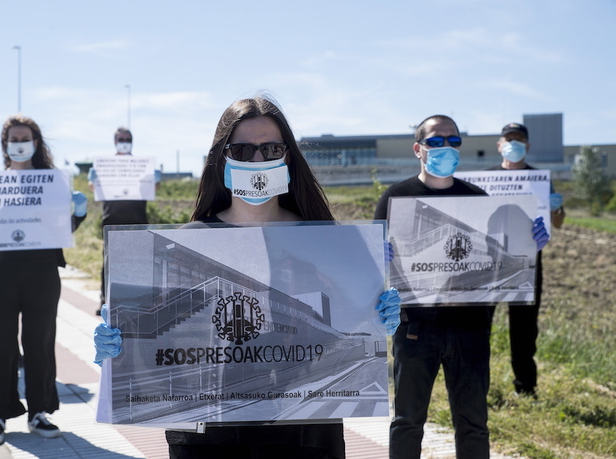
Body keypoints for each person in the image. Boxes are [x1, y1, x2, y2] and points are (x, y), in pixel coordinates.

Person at [94, 95, 402, 459]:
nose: (258, 160)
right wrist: (116, 348)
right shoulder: (183, 241)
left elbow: (349, 327)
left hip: (305, 433)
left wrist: (375, 311)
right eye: (242, 150)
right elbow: (153, 344)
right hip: (207, 438)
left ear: (287, 156)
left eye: (270, 148)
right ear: (222, 158)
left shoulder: (327, 241)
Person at [373, 115, 549, 459]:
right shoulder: (396, 198)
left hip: (470, 329)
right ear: (418, 149)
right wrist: (377, 253)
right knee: (408, 421)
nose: (446, 148)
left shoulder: (478, 200)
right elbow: (374, 261)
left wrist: (529, 246)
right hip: (415, 328)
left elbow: (497, 262)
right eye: (436, 141)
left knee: (473, 424)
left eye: (453, 141)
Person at [0, 115, 88, 446]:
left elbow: (60, 233)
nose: (19, 143)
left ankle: (40, 411)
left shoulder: (51, 183)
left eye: (25, 137)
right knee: (0, 344)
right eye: (13, 138)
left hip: (41, 273)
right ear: (5, 144)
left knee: (39, 343)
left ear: (36, 143)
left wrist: (77, 214)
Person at [488, 122, 565, 398]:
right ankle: (477, 383)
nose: (513, 143)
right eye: (508, 139)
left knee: (524, 328)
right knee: (480, 323)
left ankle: (526, 387)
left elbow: (559, 222)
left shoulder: (540, 180)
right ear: (499, 145)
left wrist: (555, 208)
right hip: (489, 264)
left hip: (528, 263)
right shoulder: (485, 179)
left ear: (528, 146)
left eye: (519, 139)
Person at [88, 127, 150, 315]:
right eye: (121, 138)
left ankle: (140, 299)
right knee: (109, 263)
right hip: (112, 221)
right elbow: (93, 188)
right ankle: (105, 301)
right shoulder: (106, 166)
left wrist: (153, 180)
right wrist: (93, 181)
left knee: (140, 263)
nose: (124, 141)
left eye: (127, 138)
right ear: (115, 141)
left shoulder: (141, 165)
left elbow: (153, 188)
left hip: (137, 221)